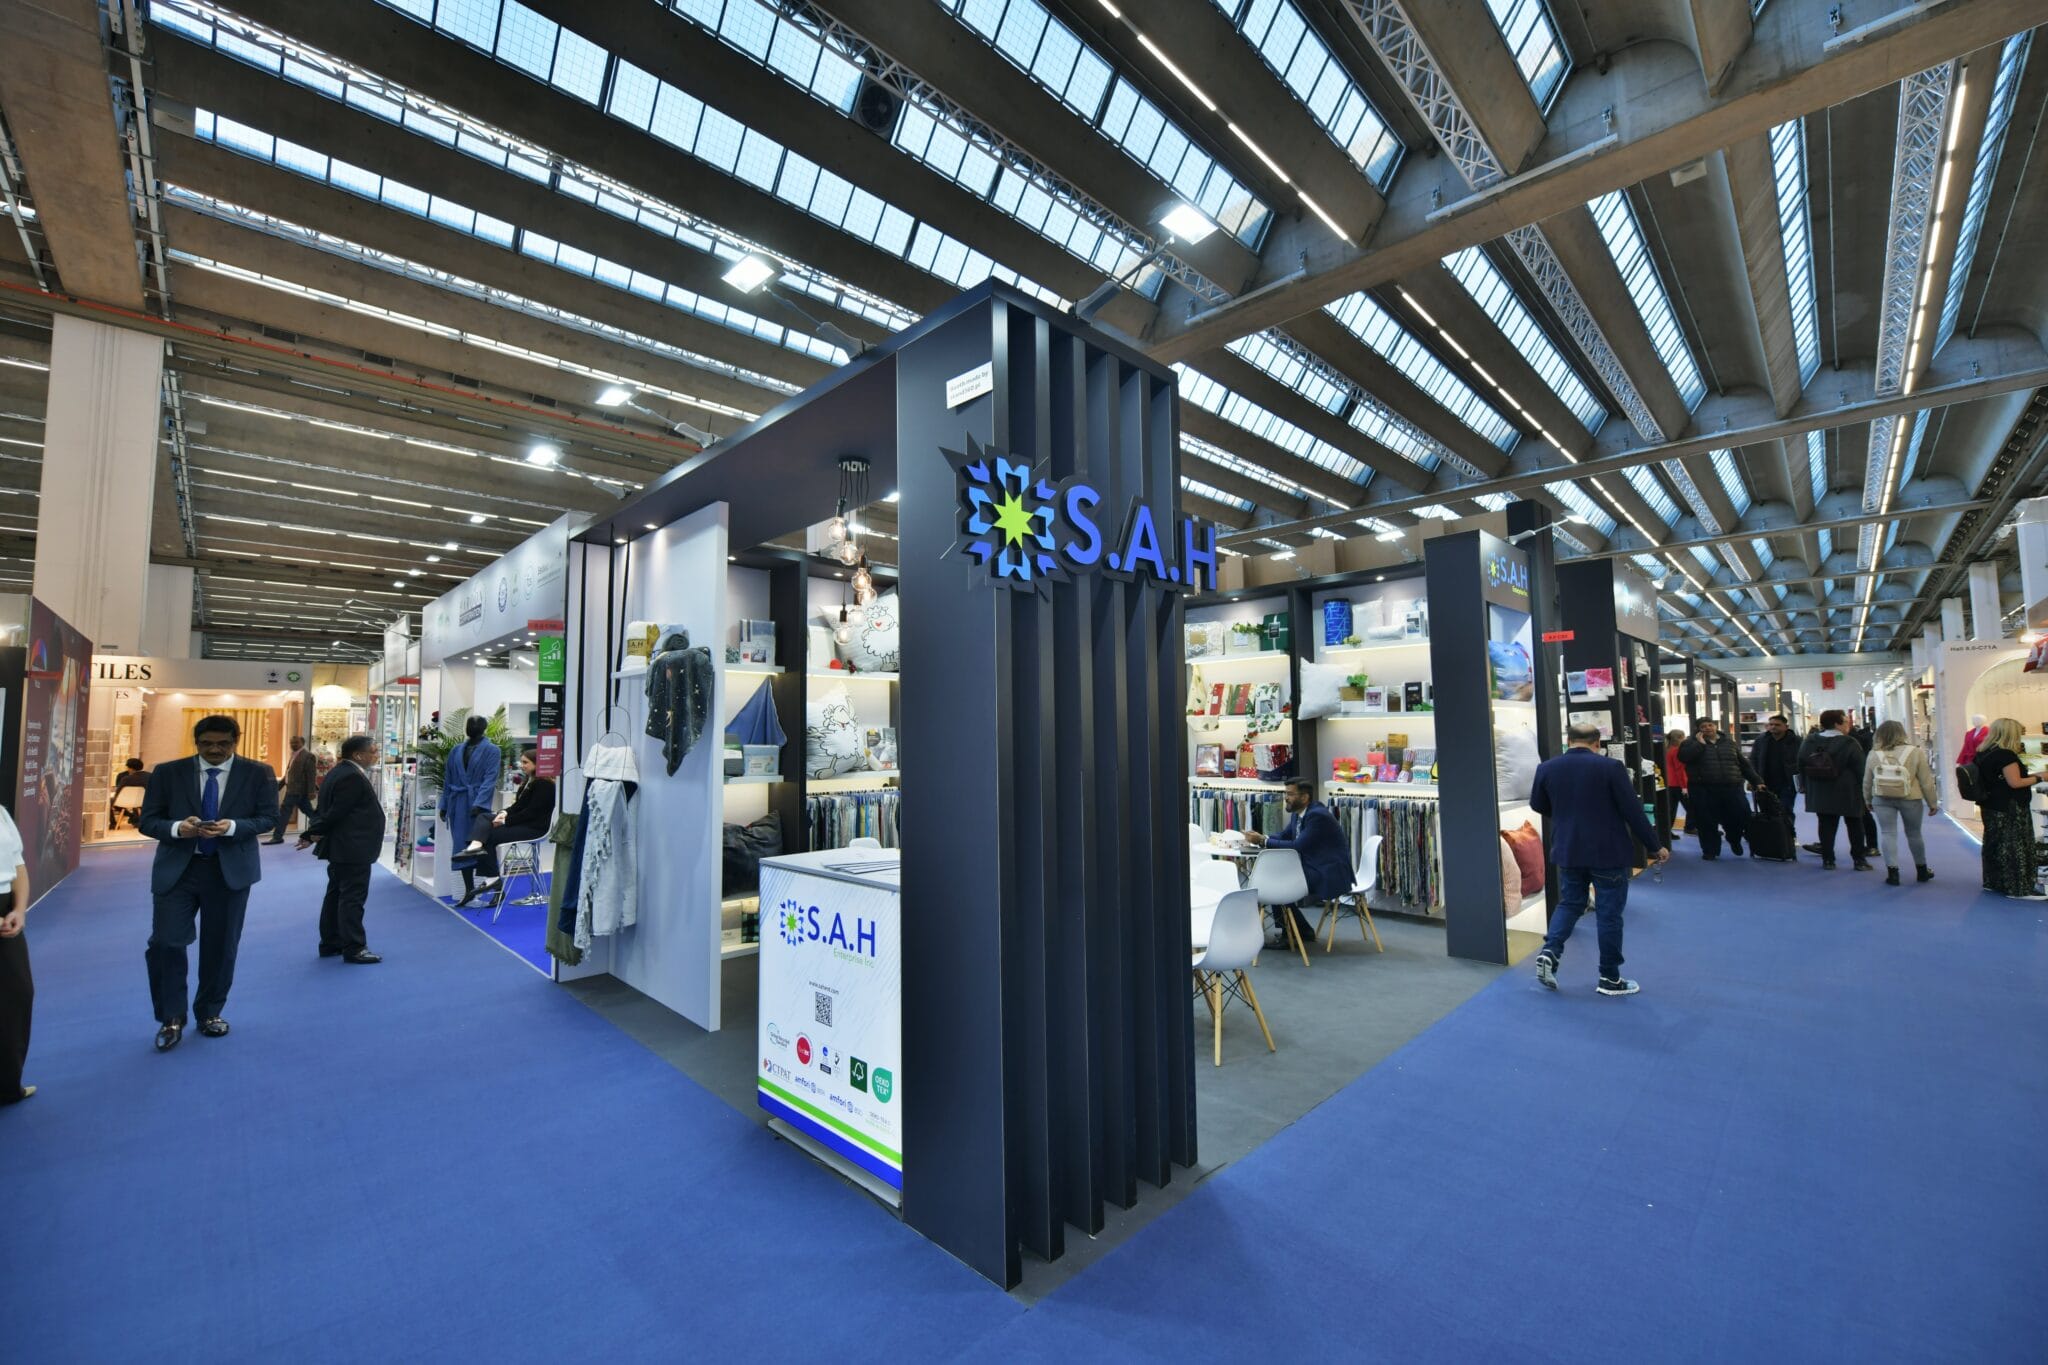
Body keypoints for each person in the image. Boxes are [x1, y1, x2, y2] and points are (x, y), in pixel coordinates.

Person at [138, 715, 279, 1051]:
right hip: (178, 871)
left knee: (221, 946)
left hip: (229, 872)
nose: (215, 750)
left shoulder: (258, 773)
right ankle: (171, 1017)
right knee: (166, 943)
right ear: (196, 742)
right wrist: (178, 828)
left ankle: (210, 1013)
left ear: (236, 742)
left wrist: (233, 827)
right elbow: (148, 821)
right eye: (207, 744)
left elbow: (269, 818)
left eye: (223, 744)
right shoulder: (168, 773)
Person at [1532, 722, 1669, 997]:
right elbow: (1632, 810)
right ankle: (1609, 977)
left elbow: (1538, 804)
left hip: (1568, 849)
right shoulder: (1611, 767)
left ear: (1569, 739)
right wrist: (1654, 846)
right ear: (1597, 743)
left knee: (1570, 903)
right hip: (1608, 851)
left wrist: (1565, 816)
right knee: (1609, 915)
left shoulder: (1546, 768)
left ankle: (1550, 950)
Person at [298, 735, 385, 964]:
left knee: (336, 895)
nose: (377, 755)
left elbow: (329, 810)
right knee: (352, 898)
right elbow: (336, 812)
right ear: (358, 755)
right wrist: (311, 833)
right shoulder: (351, 776)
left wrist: (313, 832)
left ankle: (331, 942)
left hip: (344, 847)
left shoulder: (338, 772)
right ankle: (354, 947)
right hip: (352, 848)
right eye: (373, 751)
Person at [1245, 777, 1351, 947]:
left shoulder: (1317, 816)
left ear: (1304, 797)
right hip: (1314, 866)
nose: (1286, 798)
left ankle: (1292, 934)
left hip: (1329, 871)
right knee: (1277, 880)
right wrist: (1262, 837)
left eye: (1290, 794)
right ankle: (1300, 931)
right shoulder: (1299, 813)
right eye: (1285, 793)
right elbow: (1284, 836)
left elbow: (1297, 846)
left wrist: (1263, 841)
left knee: (1278, 883)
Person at [452, 746, 556, 907]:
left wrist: (505, 821)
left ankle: (493, 879)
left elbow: (532, 813)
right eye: (522, 762)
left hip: (534, 828)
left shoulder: (544, 784)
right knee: (484, 817)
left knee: (488, 836)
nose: (522, 765)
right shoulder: (530, 782)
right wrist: (504, 813)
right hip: (523, 823)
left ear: (537, 764)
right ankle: (477, 848)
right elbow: (518, 807)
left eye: (526, 762)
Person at [1970, 717, 2045, 900]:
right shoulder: (2005, 755)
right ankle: (2018, 888)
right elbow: (2015, 782)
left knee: (1995, 843)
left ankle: (1994, 882)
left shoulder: (1983, 752)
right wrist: (2041, 777)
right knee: (2015, 845)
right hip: (2010, 807)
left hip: (1991, 805)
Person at [1863, 719, 1937, 886]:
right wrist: (1932, 802)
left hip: (1882, 798)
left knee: (1888, 833)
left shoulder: (1873, 754)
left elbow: (1867, 781)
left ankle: (1893, 873)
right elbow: (1925, 781)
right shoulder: (1915, 752)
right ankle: (1922, 870)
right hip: (1911, 798)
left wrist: (1868, 799)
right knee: (1914, 834)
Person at [1796, 708, 1870, 870]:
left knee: (1826, 825)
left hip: (1819, 789)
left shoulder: (1809, 741)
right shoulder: (1850, 743)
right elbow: (1861, 769)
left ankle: (1828, 860)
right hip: (1848, 790)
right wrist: (1866, 791)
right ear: (1837, 724)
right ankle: (1859, 860)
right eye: (1845, 722)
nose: (1848, 725)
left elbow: (1801, 763)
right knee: (1855, 824)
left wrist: (1805, 785)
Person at [440, 714, 502, 906]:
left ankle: (497, 889)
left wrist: (480, 803)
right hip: (458, 804)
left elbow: (490, 778)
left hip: (477, 807)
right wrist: (444, 805)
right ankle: (469, 891)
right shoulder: (456, 750)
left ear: (483, 728)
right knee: (461, 848)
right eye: (469, 724)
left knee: (482, 848)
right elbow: (448, 779)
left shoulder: (492, 750)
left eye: (475, 725)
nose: (471, 728)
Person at [1676, 719, 1758, 859]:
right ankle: (1710, 850)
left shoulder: (1729, 742)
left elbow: (1744, 764)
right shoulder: (1689, 743)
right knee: (1706, 821)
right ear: (1698, 729)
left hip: (1731, 786)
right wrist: (1700, 744)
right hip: (1703, 789)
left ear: (1715, 726)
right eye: (1703, 726)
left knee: (1739, 816)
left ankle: (1734, 839)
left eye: (1710, 725)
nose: (1708, 728)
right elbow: (1684, 758)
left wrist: (1756, 781)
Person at [0, 803, 32, 1104]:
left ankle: (8, 1085)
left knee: (17, 996)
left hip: (7, 914)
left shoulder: (1, 813)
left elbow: (18, 866)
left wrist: (19, 910)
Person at [267, 735, 319, 844]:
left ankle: (277, 837)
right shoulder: (293, 755)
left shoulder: (308, 756)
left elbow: (311, 775)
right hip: (292, 790)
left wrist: (311, 791)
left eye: (296, 743)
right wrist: (278, 787)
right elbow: (288, 773)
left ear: (302, 743)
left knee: (284, 813)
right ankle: (322, 829)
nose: (293, 745)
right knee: (310, 812)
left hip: (298, 791)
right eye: (291, 743)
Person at [1749, 714, 1800, 815]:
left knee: (1785, 810)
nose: (1773, 727)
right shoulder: (1761, 740)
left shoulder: (1796, 741)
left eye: (1777, 725)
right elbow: (1753, 759)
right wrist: (1753, 779)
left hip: (1787, 783)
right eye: (1771, 724)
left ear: (1786, 727)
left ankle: (1787, 826)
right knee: (1766, 811)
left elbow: (1801, 760)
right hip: (1765, 782)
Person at [1662, 729, 1689, 841]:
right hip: (1677, 784)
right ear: (1680, 738)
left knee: (1671, 809)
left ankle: (1666, 832)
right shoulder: (1678, 751)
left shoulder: (1667, 750)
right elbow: (1680, 770)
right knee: (1692, 808)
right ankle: (1692, 827)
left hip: (1669, 783)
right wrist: (1684, 787)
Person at [110, 757, 150, 830]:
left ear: (131, 768)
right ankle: (134, 817)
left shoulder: (126, 779)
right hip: (145, 801)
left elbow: (118, 793)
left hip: (125, 802)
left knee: (109, 801)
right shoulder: (150, 776)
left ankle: (113, 824)